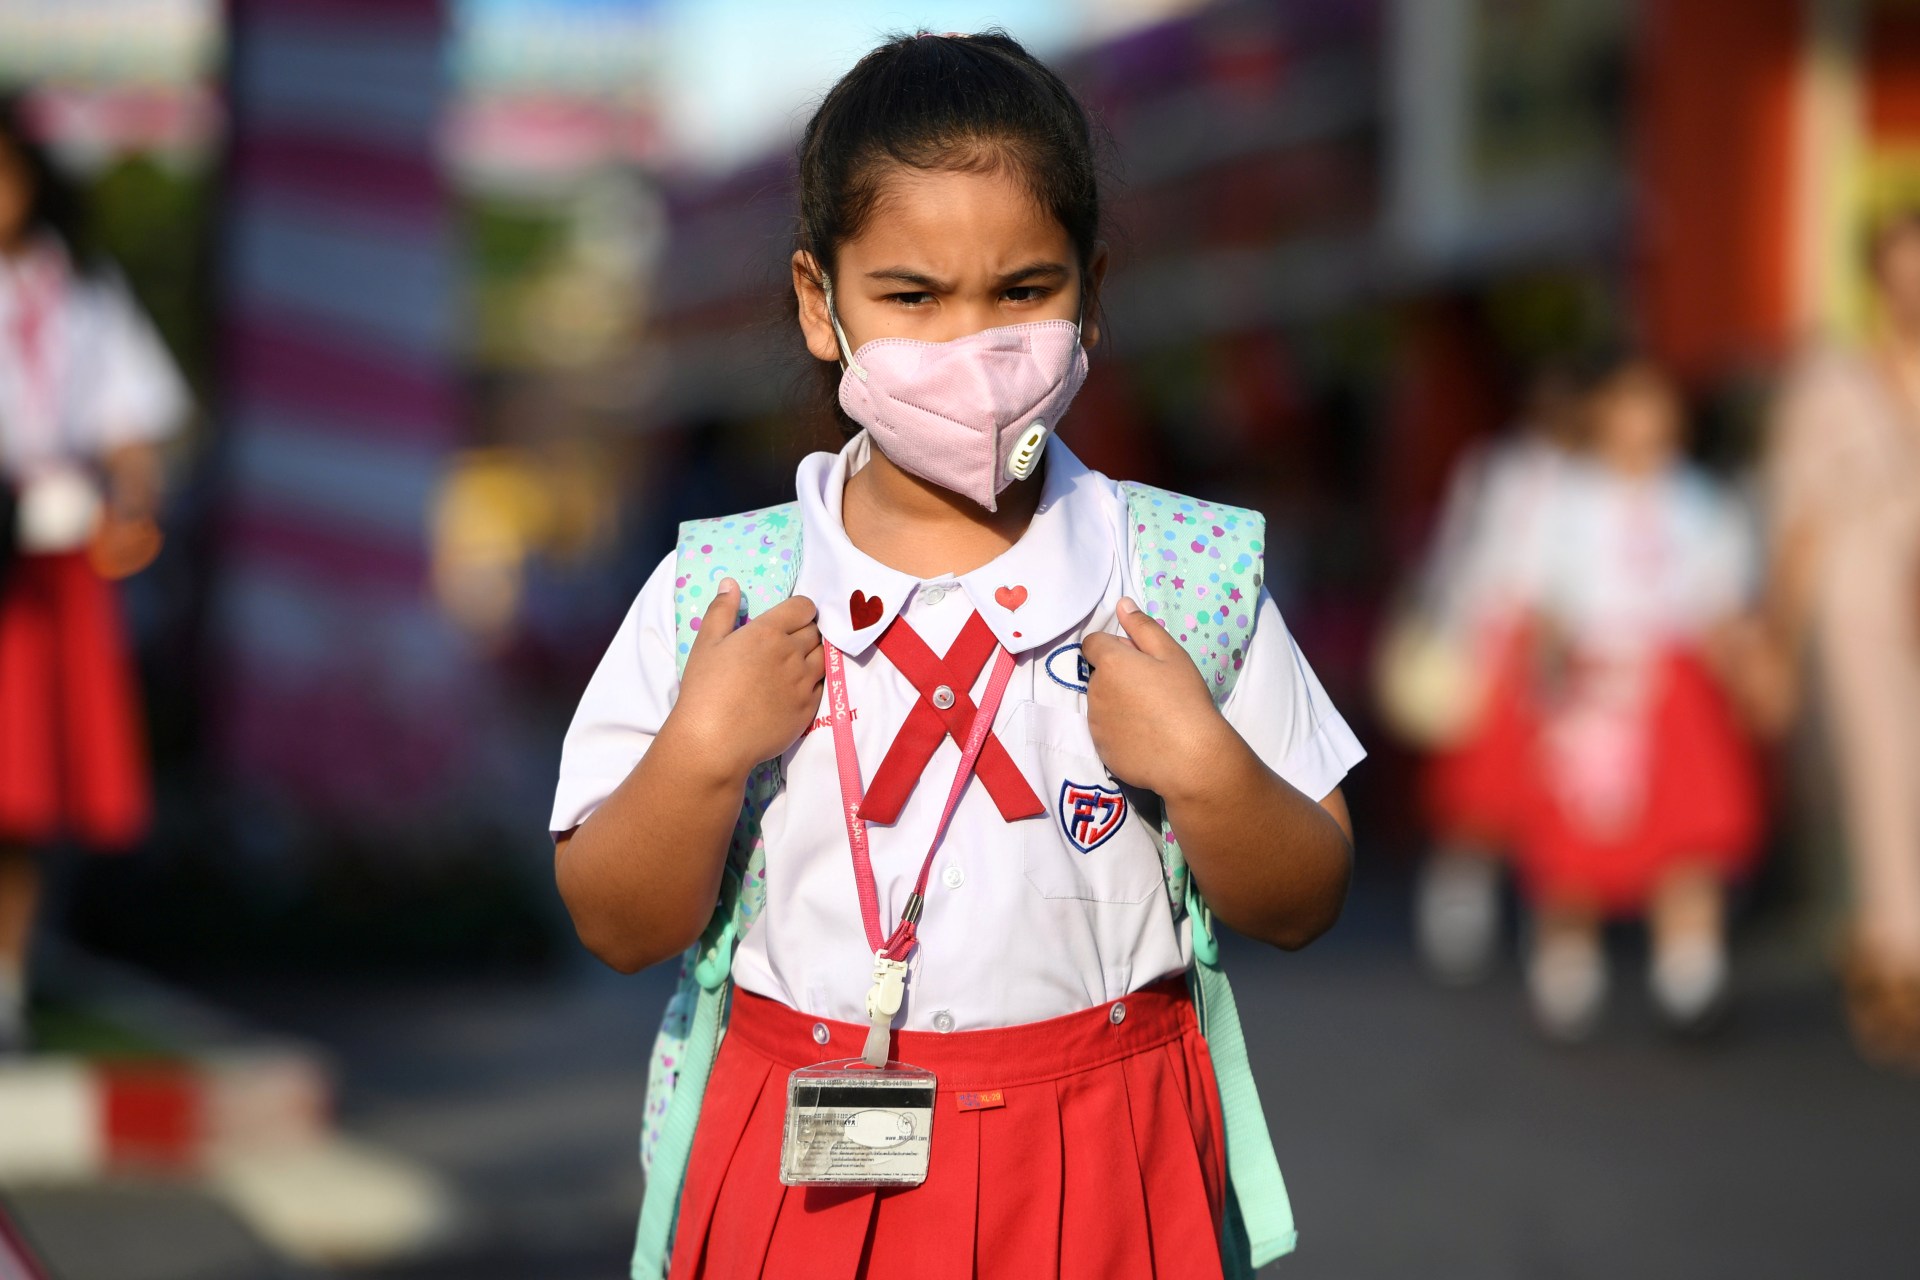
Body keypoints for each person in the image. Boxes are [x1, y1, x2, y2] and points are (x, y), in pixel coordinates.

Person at [550, 32, 1362, 1280]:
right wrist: (701, 756)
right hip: (799, 1169)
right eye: (914, 298)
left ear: (1092, 290)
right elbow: (614, 921)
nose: (974, 351)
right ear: (823, 304)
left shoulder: (1181, 571)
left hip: (1105, 1158)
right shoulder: (721, 592)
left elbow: (1307, 895)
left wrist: (1206, 767)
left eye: (1023, 292)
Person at [0, 98, 189, 1054]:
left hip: (49, 559)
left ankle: (10, 977)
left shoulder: (78, 293)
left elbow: (131, 426)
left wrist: (130, 502)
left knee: (26, 786)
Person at [1513, 355, 1765, 1040]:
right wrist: (1548, 679)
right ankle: (1569, 962)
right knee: (1578, 838)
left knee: (1688, 830)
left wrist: (1745, 666)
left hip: (1676, 679)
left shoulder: (1702, 500)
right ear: (1601, 415)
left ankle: (1690, 966)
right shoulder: (1569, 502)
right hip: (1597, 680)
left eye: (1656, 405)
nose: (1644, 421)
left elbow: (1720, 601)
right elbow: (1549, 602)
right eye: (1629, 405)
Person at [1765, 209, 1920, 1070]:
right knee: (1879, 772)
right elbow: (1800, 517)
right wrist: (1780, 635)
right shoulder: (1834, 379)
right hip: (1859, 592)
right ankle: (1897, 960)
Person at [1403, 365, 1581, 983]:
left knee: (1538, 795)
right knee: (1484, 796)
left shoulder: (1523, 474)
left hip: (1544, 646)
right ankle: (1470, 915)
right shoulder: (1497, 471)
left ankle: (1538, 926)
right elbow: (1459, 559)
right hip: (1500, 647)